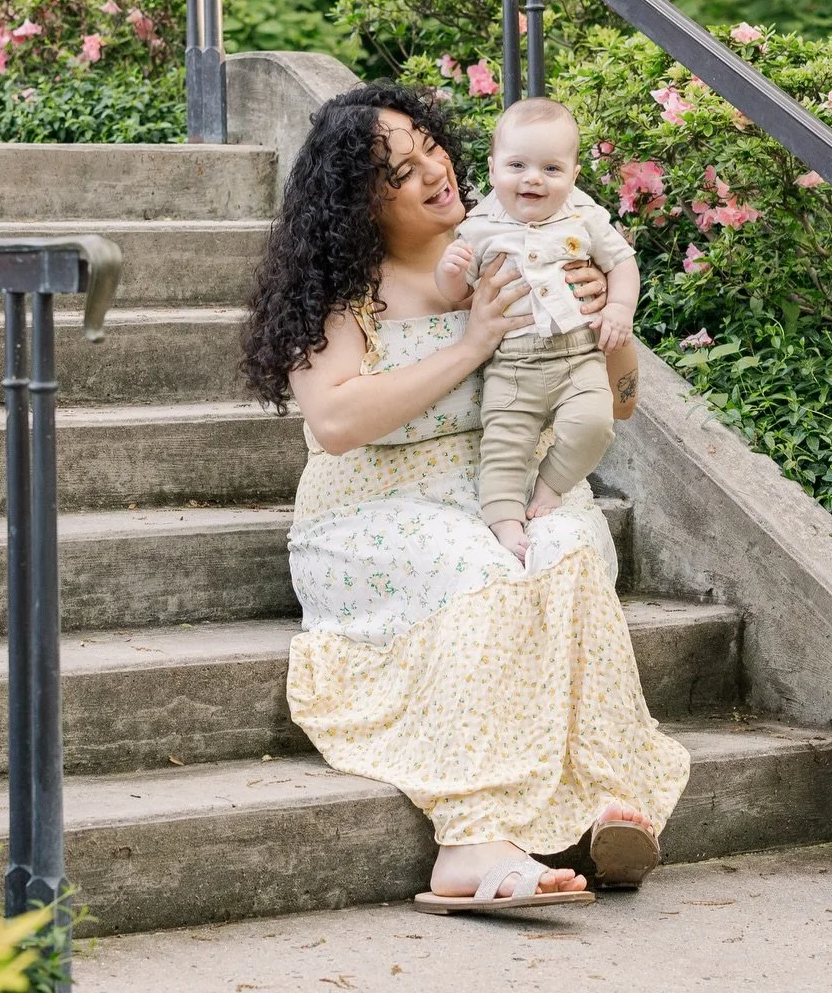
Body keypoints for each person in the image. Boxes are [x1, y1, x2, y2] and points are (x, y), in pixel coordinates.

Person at [242, 82, 689, 912]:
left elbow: (617, 401)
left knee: (564, 553)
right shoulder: (340, 290)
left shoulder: (521, 241)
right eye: (401, 170)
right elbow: (337, 421)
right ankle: (469, 842)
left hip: (506, 480)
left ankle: (595, 809)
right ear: (357, 205)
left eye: (430, 146)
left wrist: (606, 327)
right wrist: (476, 339)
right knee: (478, 569)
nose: (435, 172)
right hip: (374, 506)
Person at [434, 96, 639, 560]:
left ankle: (551, 485)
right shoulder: (479, 227)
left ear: (573, 174)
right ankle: (506, 521)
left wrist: (619, 307)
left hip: (578, 355)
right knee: (503, 446)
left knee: (594, 423)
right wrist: (449, 269)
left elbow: (622, 262)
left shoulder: (583, 216)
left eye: (551, 168)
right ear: (492, 170)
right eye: (518, 165)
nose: (532, 178)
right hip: (512, 364)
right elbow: (454, 293)